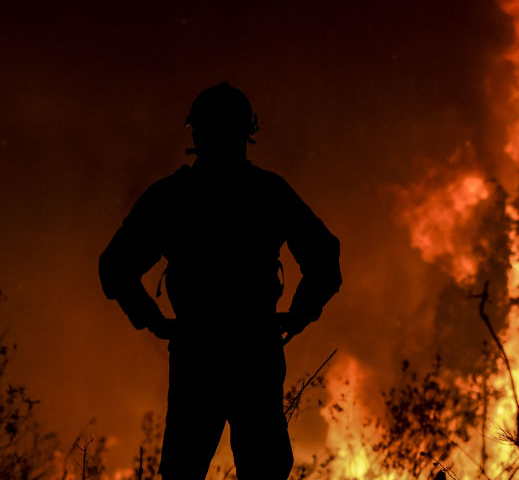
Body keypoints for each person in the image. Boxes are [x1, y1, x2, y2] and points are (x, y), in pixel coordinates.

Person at [98, 82, 341, 479]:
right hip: (253, 352)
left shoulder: (172, 196)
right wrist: (299, 313)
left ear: (196, 132)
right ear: (247, 133)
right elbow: (324, 257)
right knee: (262, 471)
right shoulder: (267, 191)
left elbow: (115, 267)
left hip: (199, 354)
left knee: (184, 471)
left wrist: (152, 319)